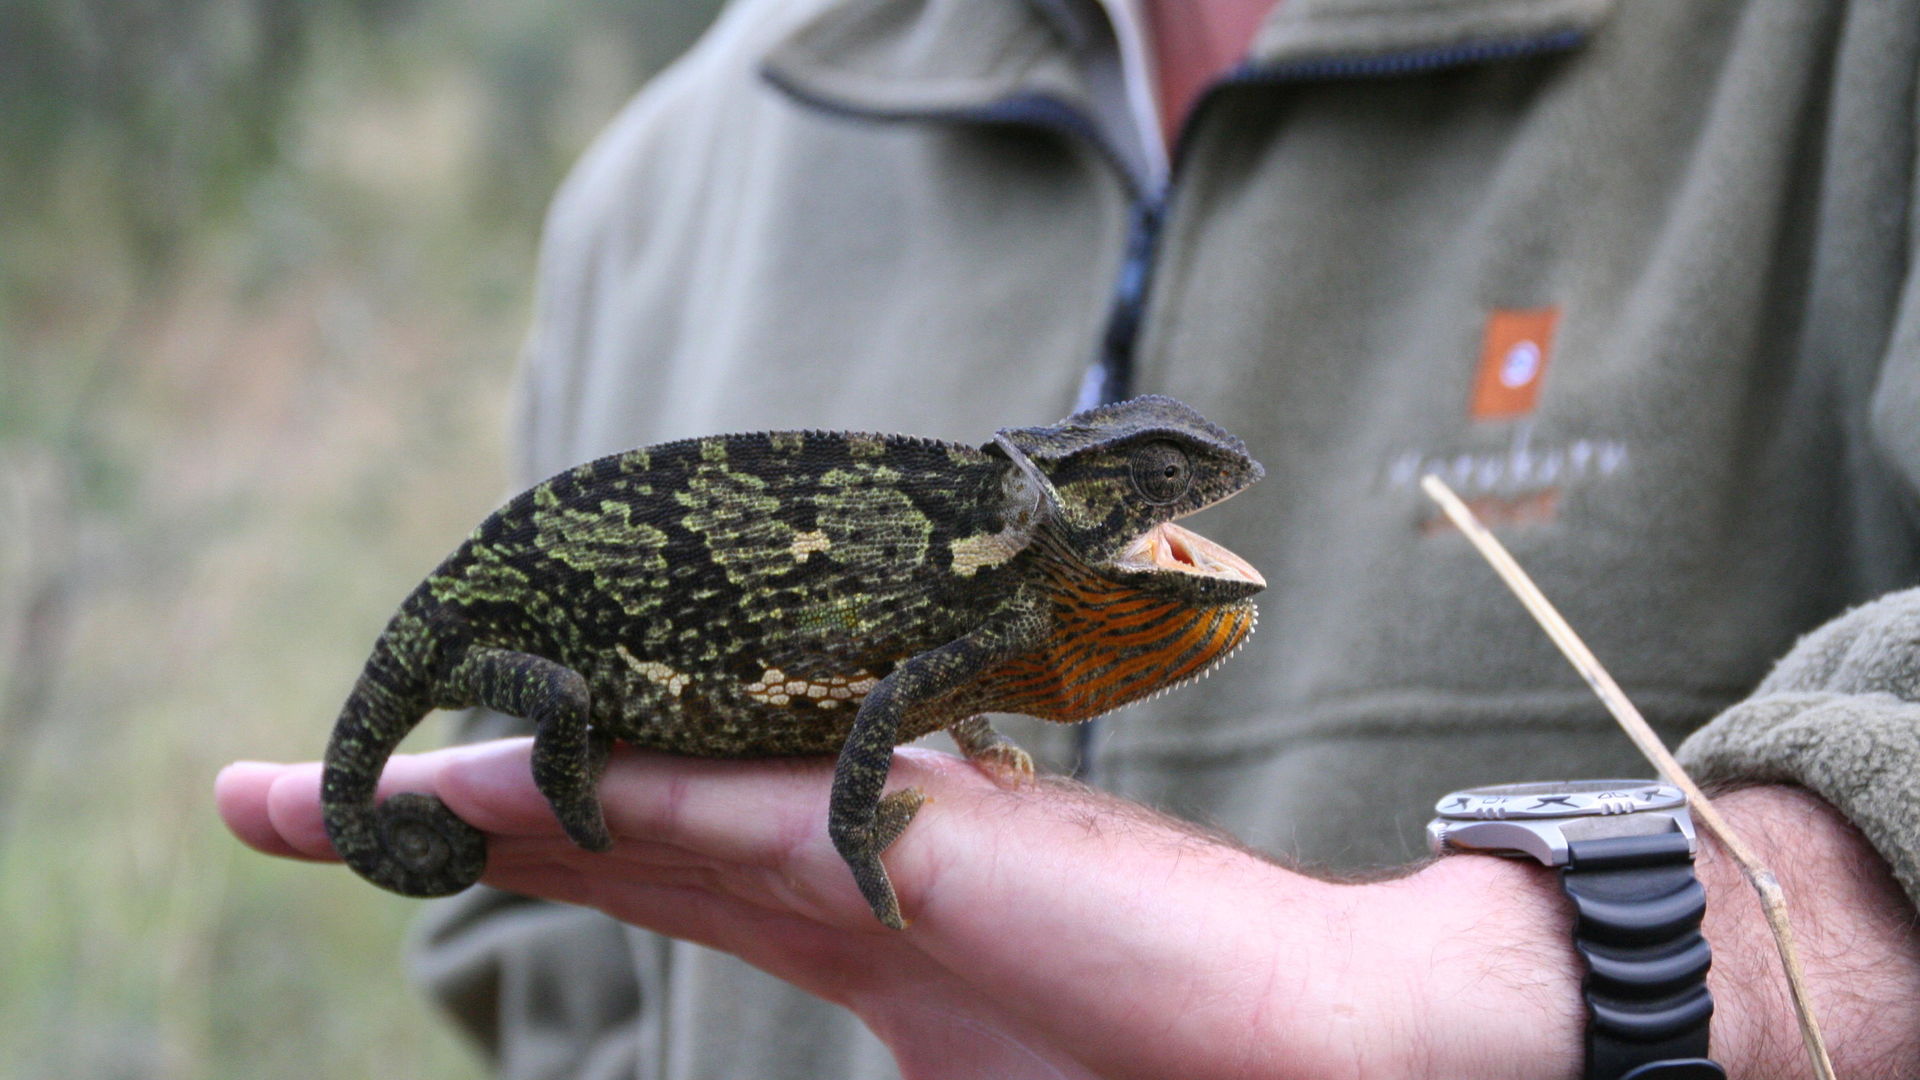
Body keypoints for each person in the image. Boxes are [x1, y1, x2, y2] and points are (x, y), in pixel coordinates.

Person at [218, 0, 1920, 1076]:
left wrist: (1668, 976)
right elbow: (533, 900)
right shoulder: (674, 185)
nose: (1190, 505)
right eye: (1157, 488)